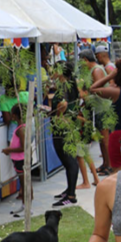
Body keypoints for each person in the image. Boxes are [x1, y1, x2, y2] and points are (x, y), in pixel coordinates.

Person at [92, 60, 121, 172]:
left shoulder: (115, 91)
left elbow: (93, 89)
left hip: (118, 134)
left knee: (117, 172)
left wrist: (109, 76)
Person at [48, 61, 82, 208]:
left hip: (64, 127)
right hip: (64, 126)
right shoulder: (67, 85)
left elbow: (64, 105)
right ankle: (69, 189)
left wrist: (58, 114)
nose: (52, 73)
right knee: (67, 160)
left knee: (69, 160)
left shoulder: (65, 87)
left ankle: (71, 195)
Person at [0, 104, 30, 215]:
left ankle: (27, 208)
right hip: (20, 160)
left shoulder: (21, 129)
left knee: (25, 184)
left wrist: (9, 150)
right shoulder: (21, 127)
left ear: (14, 115)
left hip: (21, 160)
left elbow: (23, 147)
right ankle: (24, 206)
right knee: (25, 184)